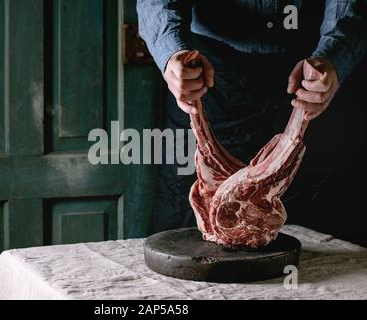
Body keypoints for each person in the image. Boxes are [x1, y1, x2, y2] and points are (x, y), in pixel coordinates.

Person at [137, 0, 367, 234]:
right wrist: (171, 50)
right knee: (186, 230)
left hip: (314, 68)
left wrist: (335, 56)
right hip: (208, 73)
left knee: (328, 238)